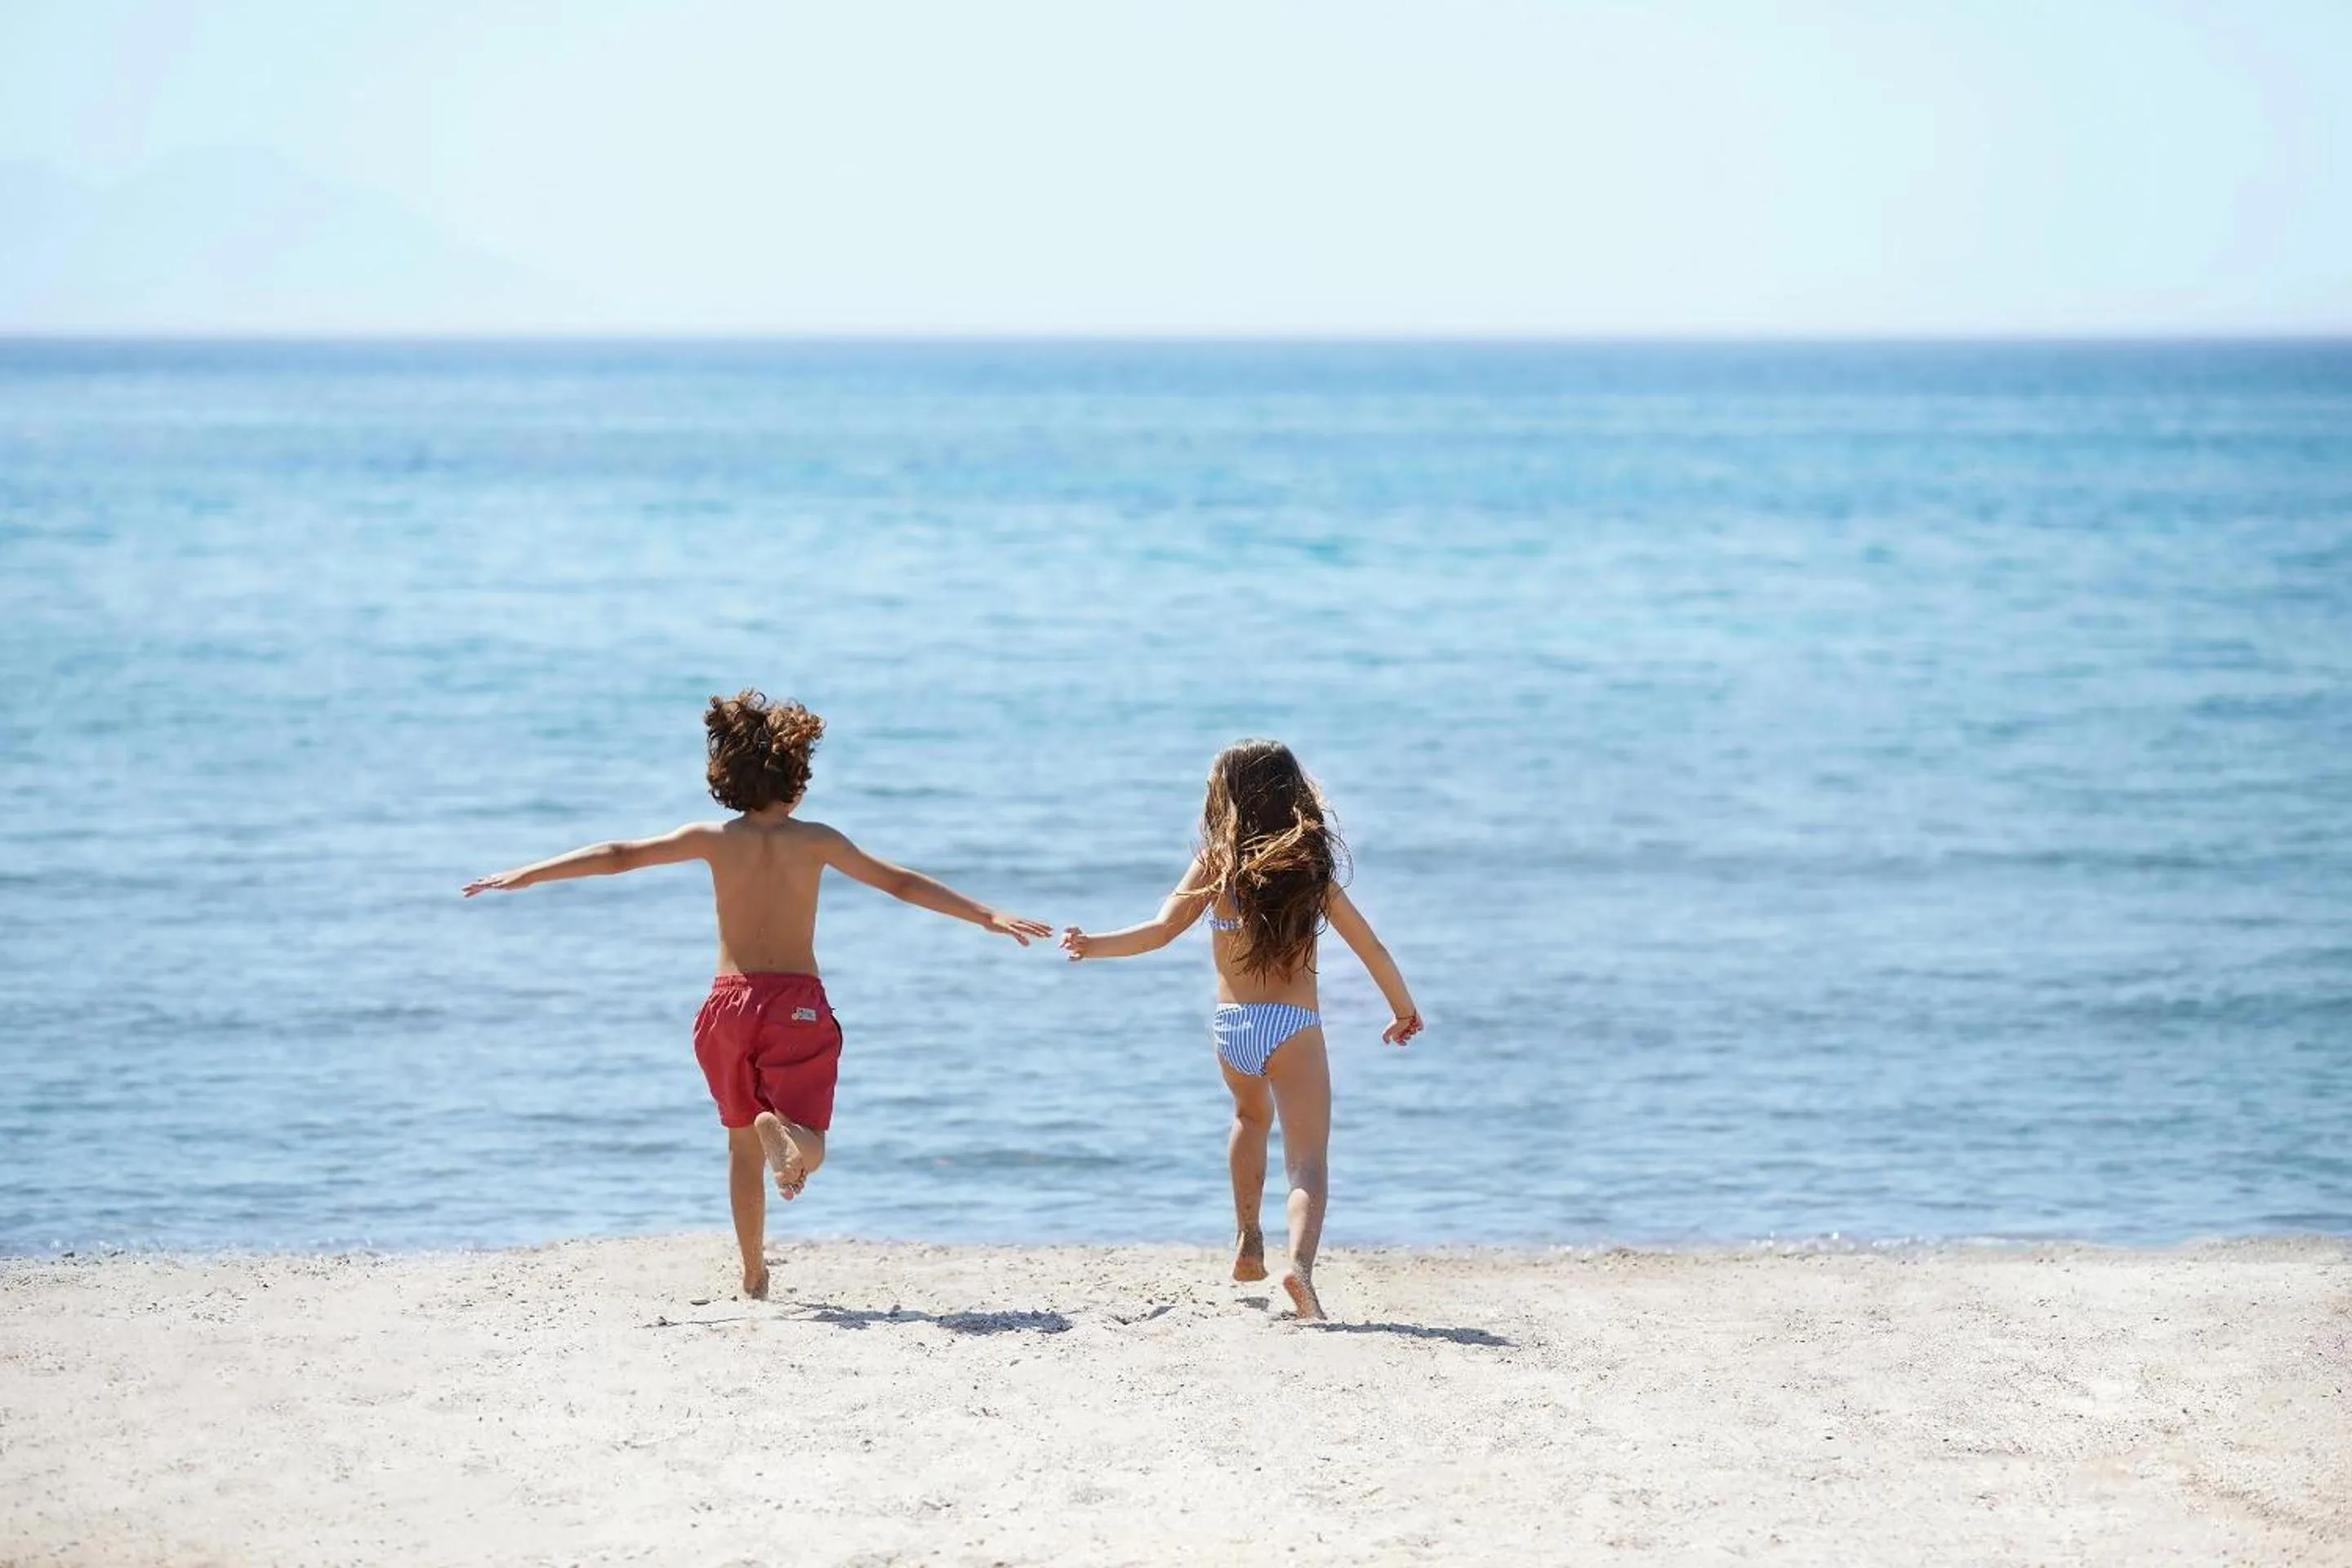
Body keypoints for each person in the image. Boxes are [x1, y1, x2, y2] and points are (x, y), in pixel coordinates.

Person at [464, 690, 1049, 1299]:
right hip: (794, 1003)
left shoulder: (714, 838)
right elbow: (898, 883)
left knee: (741, 1145)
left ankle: (753, 1273)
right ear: (798, 778)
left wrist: (529, 872)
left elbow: (620, 856)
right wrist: (986, 915)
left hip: (727, 1004)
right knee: (810, 1141)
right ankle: (789, 1140)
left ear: (729, 778)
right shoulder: (817, 840)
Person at [1058, 739, 1420, 1321]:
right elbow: (1370, 946)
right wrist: (1402, 1008)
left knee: (1250, 1120)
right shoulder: (1311, 872)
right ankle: (1299, 1272)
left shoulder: (1214, 866)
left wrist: (1093, 945)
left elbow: (1158, 931)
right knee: (1308, 1160)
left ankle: (1247, 1238)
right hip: (1293, 1028)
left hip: (1233, 1028)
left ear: (1226, 797)